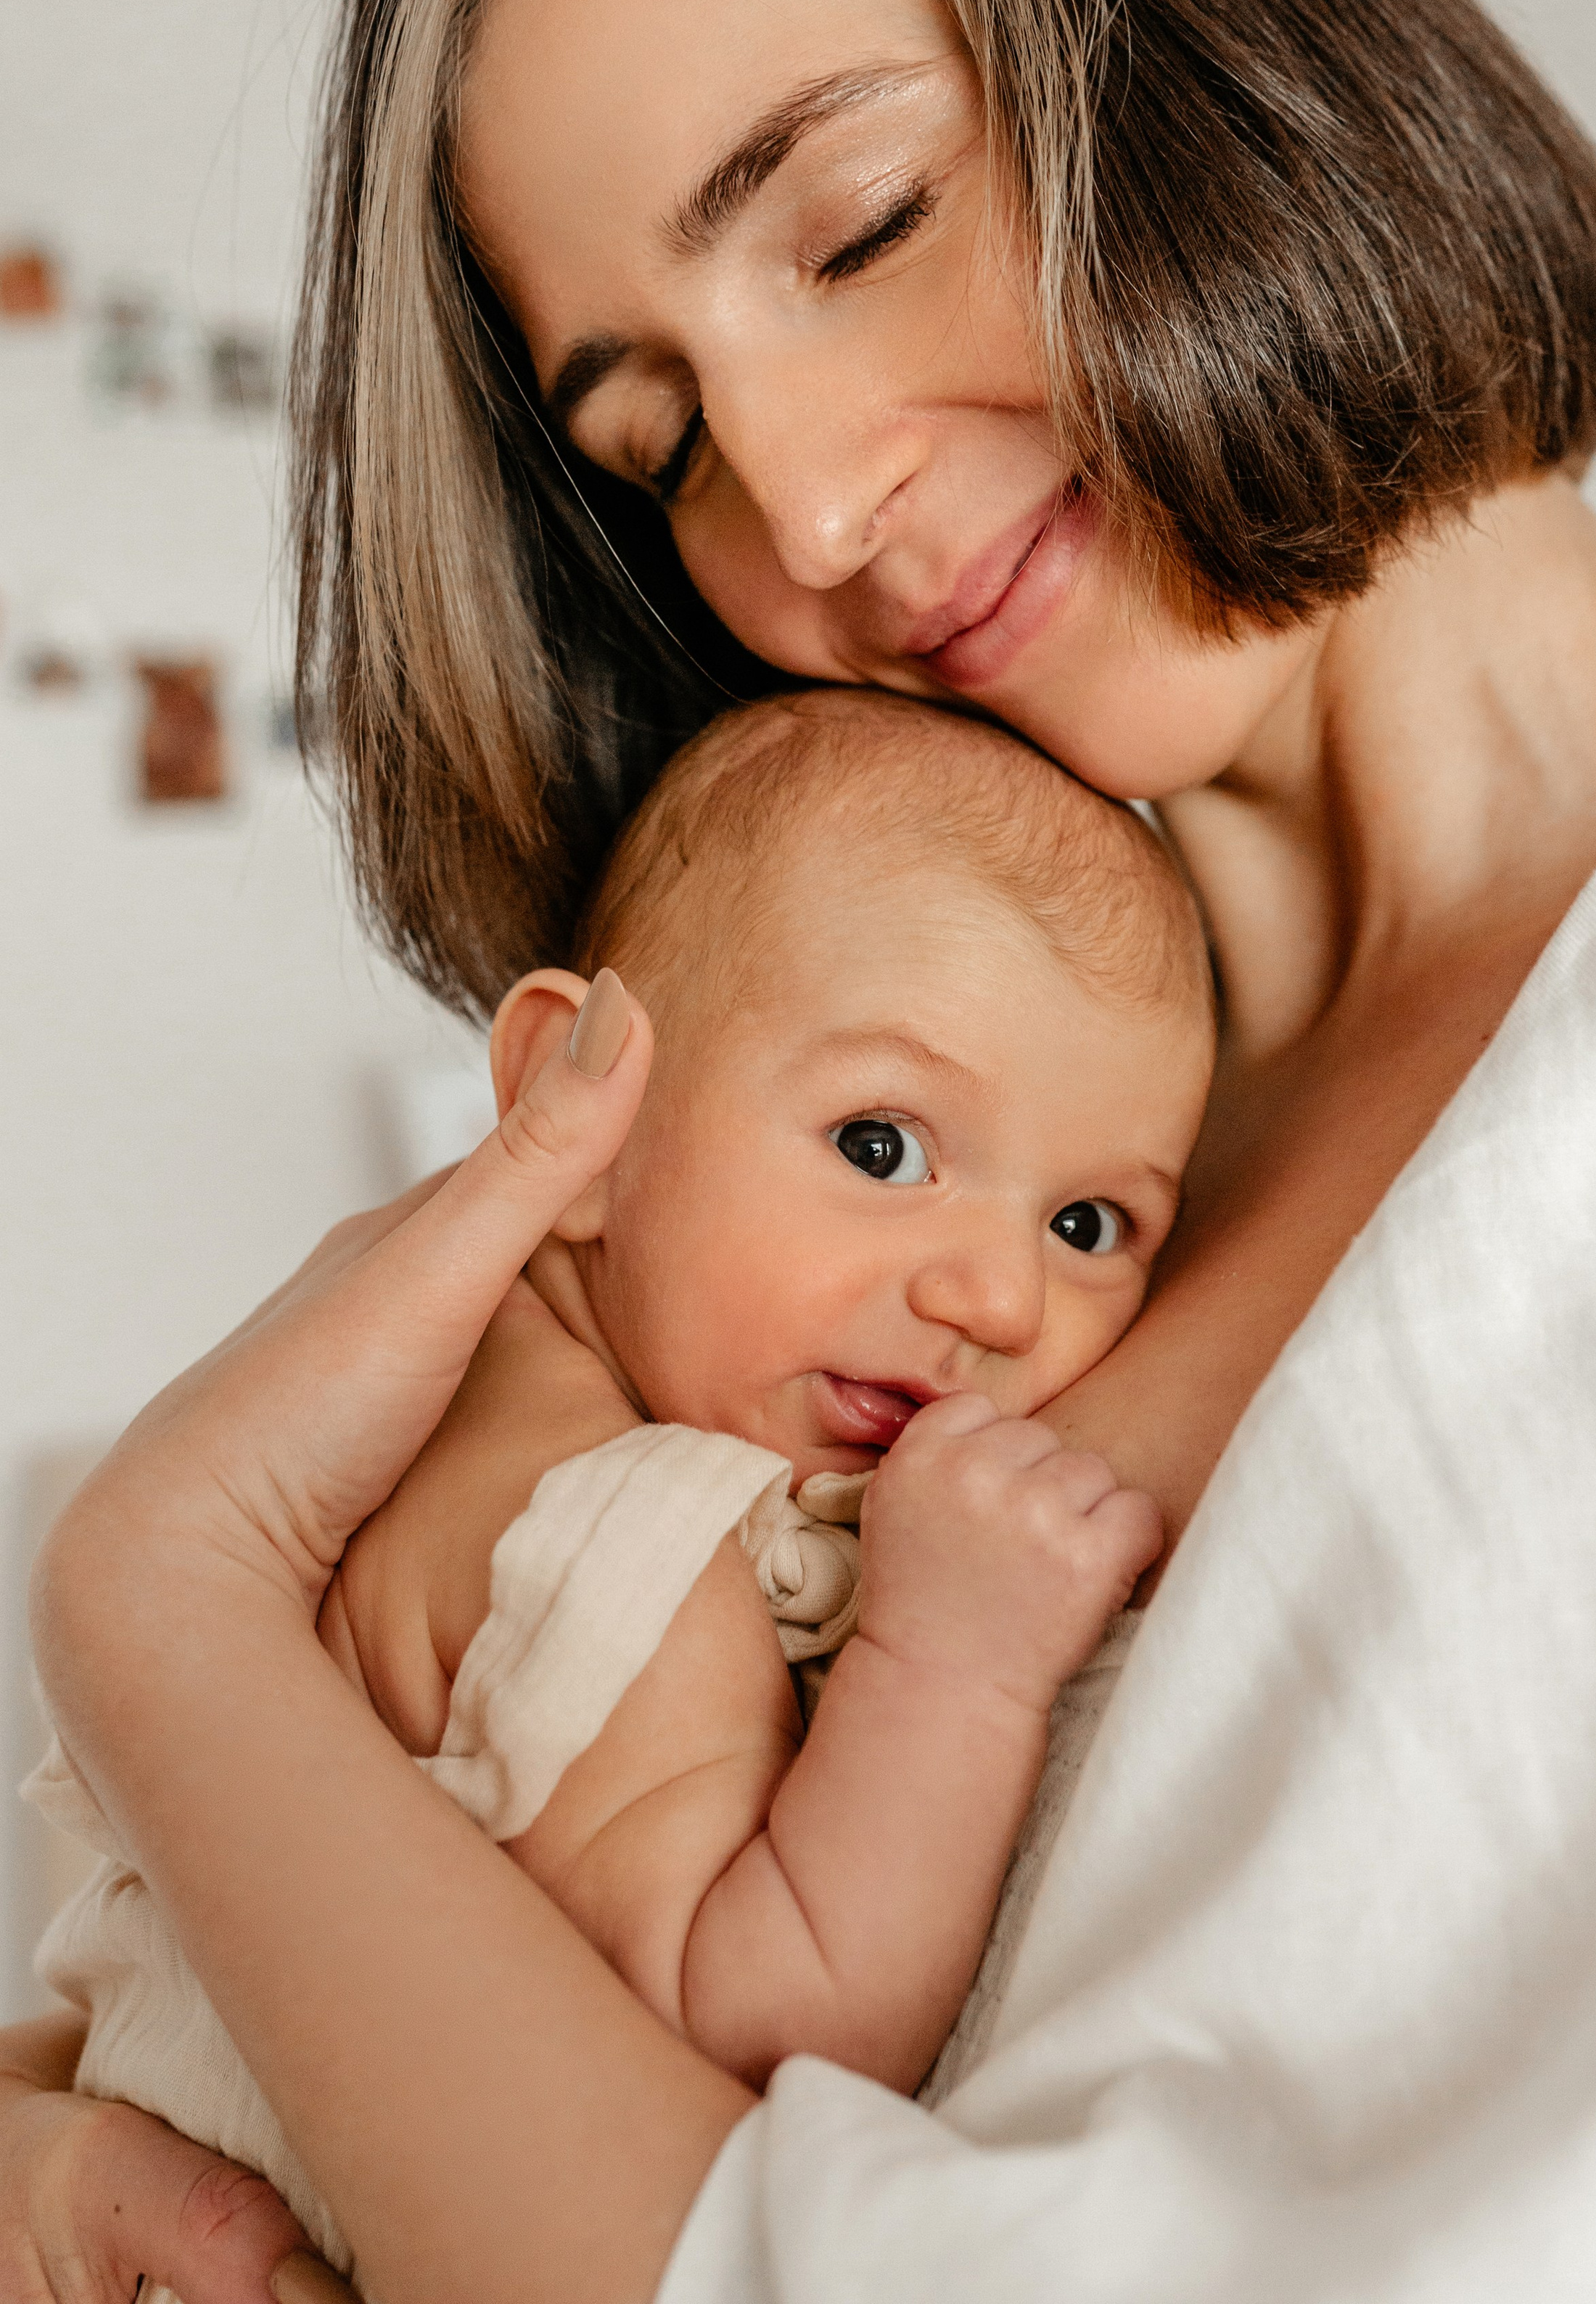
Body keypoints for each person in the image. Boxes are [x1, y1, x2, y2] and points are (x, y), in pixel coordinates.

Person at [6, 0, 1596, 2304]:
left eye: (861, 222)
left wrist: (161, 1613)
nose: (806, 507)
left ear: (1227, 42)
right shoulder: (833, 1170)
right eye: (659, 445)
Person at [27, 689, 1209, 2290]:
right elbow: (758, 2034)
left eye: (1087, 1226)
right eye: (880, 1145)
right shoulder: (615, 1537)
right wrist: (956, 1662)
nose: (1000, 1298)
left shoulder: (392, 1443)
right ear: (580, 1110)